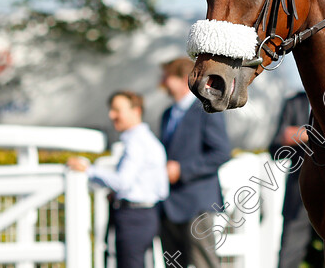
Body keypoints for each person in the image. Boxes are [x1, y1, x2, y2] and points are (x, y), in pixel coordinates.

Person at [67, 90, 168, 268]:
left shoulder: (136, 142)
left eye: (116, 110)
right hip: (146, 214)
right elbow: (161, 189)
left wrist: (89, 170)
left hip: (134, 217)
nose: (111, 115)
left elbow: (122, 182)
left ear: (135, 111)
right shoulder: (149, 141)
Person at [158, 57, 231, 268]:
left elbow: (220, 152)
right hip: (169, 205)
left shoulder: (207, 109)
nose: (162, 82)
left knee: (204, 264)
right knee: (172, 264)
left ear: (183, 79)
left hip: (197, 204)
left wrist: (182, 170)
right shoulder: (167, 114)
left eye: (166, 76)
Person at [269, 90, 323, 268]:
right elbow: (275, 149)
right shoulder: (294, 102)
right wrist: (291, 137)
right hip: (299, 190)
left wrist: (305, 133)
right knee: (289, 254)